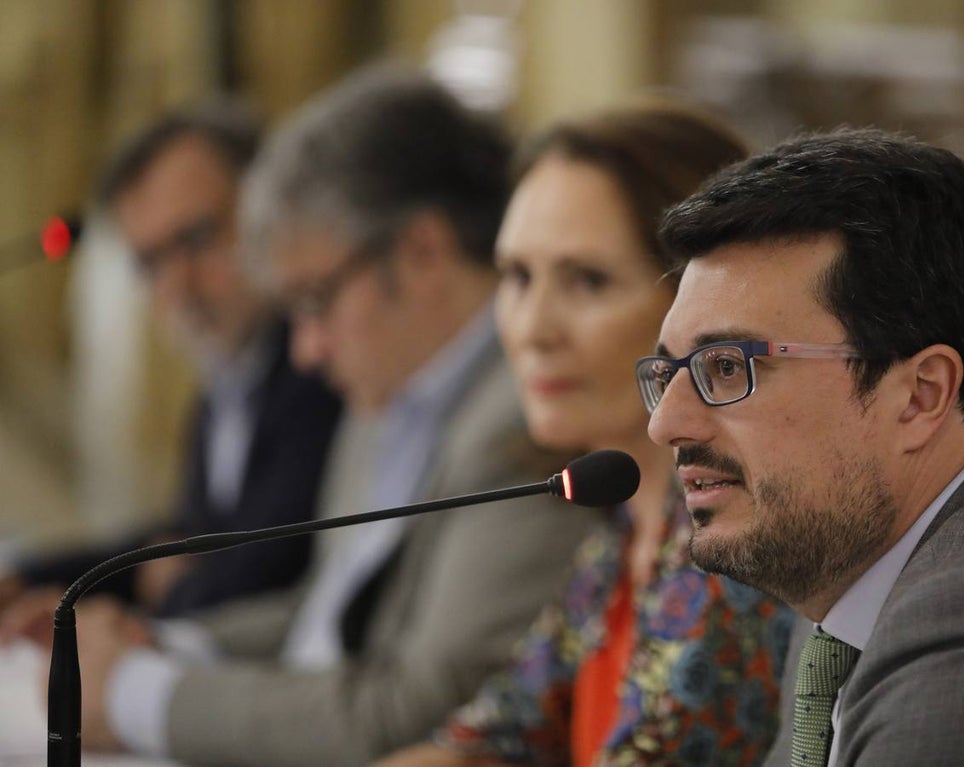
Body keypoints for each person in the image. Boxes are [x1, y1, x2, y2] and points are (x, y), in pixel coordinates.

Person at [3, 66, 602, 766]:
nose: (305, 349)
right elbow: (320, 610)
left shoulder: (526, 420)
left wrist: (133, 691)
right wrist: (161, 644)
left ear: (422, 253)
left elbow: (415, 708)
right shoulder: (383, 394)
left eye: (316, 300)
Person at [640, 128, 964, 766]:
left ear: (920, 395)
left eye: (726, 367)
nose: (668, 425)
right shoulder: (848, 583)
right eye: (668, 375)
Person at [379, 104, 794, 767]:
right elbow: (484, 740)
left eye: (587, 281)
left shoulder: (736, 556)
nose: (532, 327)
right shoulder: (620, 542)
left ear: (701, 306)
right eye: (517, 277)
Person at [0, 103, 342, 618]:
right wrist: (27, 578)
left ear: (273, 209)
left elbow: (261, 578)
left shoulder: (322, 368)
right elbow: (181, 542)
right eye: (150, 262)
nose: (177, 287)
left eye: (198, 239)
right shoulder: (223, 388)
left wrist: (173, 588)